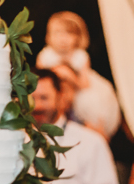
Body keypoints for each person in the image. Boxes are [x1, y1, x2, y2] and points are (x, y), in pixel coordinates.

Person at [35, 11, 121, 139]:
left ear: (78, 37)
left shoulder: (80, 56)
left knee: (91, 106)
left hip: (80, 92)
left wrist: (69, 77)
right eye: (58, 33)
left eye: (68, 33)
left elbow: (85, 84)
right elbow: (39, 80)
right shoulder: (45, 55)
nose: (63, 38)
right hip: (56, 93)